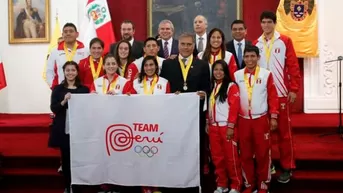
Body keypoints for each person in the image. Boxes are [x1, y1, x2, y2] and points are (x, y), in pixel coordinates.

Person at [160, 32, 211, 193]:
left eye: (189, 44)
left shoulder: (202, 65)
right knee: (174, 146)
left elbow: (207, 87)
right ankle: (173, 180)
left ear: (193, 46)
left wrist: (203, 93)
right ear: (178, 45)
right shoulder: (168, 65)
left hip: (195, 115)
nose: (186, 47)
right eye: (183, 44)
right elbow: (163, 87)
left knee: (196, 147)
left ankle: (195, 182)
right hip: (174, 116)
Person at [254, 11, 301, 183]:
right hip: (262, 96)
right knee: (263, 134)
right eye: (263, 22)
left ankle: (287, 167)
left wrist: (294, 89)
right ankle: (269, 164)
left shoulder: (285, 41)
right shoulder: (256, 44)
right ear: (260, 24)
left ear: (274, 23)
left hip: (281, 95)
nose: (266, 25)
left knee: (284, 134)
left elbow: (293, 66)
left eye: (269, 22)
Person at [234, 45, 279, 193]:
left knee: (262, 153)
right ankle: (249, 184)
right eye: (246, 56)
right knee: (245, 154)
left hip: (261, 119)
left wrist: (273, 116)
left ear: (258, 58)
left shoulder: (266, 74)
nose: (249, 59)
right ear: (244, 58)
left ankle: (263, 183)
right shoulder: (237, 75)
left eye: (252, 56)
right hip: (243, 120)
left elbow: (273, 96)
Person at [48, 61, 90, 193]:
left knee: (79, 159)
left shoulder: (84, 90)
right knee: (66, 159)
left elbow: (88, 109)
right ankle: (67, 185)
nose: (70, 73)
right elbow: (53, 108)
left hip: (80, 130)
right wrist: (64, 101)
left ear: (77, 72)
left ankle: (78, 185)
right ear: (64, 72)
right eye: (68, 70)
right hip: (64, 129)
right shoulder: (58, 89)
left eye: (73, 70)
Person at [208, 60, 242, 193]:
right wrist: (208, 122)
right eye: (215, 70)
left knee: (231, 157)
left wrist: (231, 126)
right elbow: (210, 106)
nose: (218, 72)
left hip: (226, 127)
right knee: (217, 158)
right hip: (213, 127)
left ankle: (236, 185)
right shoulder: (212, 86)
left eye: (221, 70)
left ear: (226, 71)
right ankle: (222, 184)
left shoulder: (231, 86)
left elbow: (234, 107)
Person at [46, 23, 88, 89]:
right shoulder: (55, 51)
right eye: (65, 32)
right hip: (61, 89)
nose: (68, 33)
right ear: (62, 35)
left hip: (80, 90)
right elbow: (49, 71)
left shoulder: (85, 51)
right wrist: (54, 88)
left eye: (71, 31)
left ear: (77, 34)